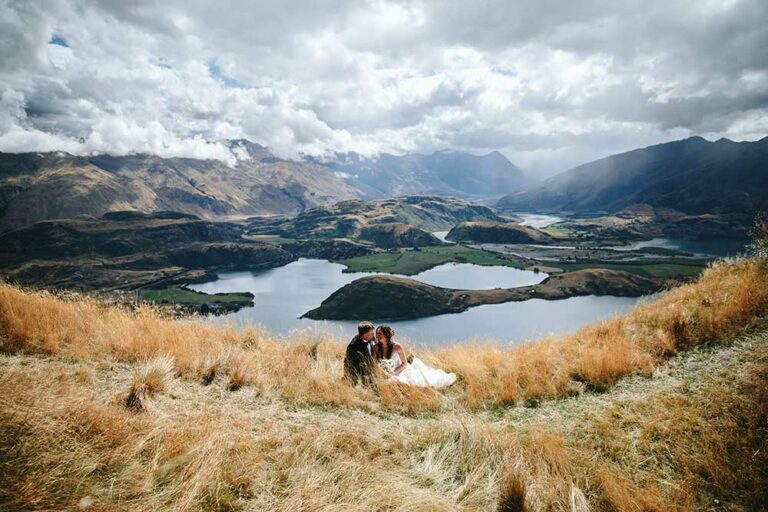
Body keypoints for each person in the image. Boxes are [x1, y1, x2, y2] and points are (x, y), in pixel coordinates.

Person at [373, 325, 456, 388]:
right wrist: (384, 372)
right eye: (377, 333)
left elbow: (404, 363)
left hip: (401, 370)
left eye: (380, 333)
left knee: (415, 384)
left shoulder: (397, 346)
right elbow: (377, 362)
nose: (377, 335)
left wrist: (393, 373)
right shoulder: (376, 347)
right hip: (386, 372)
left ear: (387, 334)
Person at [343, 321, 377, 386]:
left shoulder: (371, 337)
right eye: (371, 332)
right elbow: (349, 363)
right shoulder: (353, 346)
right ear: (365, 334)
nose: (373, 334)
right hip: (357, 372)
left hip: (370, 369)